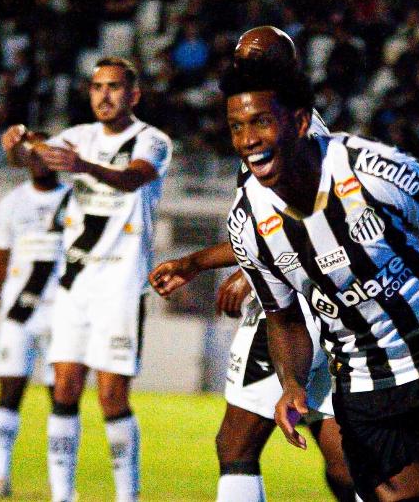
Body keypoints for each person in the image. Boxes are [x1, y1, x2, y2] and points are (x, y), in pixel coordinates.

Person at [219, 58, 419, 501]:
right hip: (364, 387)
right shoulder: (246, 224)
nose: (248, 141)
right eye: (236, 128)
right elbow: (285, 319)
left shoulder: (372, 169)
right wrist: (293, 384)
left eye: (260, 123)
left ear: (299, 121)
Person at [147, 26, 355, 502]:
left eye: (257, 58)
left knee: (236, 444)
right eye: (240, 57)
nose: (244, 65)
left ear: (288, 68)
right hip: (325, 309)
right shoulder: (293, 124)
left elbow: (306, 219)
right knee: (343, 458)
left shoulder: (289, 132)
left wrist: (251, 269)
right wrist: (200, 262)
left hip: (289, 313)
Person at [0, 57, 172, 502]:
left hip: (121, 283)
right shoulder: (78, 137)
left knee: (112, 398)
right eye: (97, 87)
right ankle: (63, 496)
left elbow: (134, 179)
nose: (104, 95)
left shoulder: (152, 141)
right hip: (75, 283)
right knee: (64, 388)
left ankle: (125, 497)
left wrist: (83, 167)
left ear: (133, 95)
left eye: (114, 87)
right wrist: (16, 146)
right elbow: (33, 160)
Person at [150, 246, 355, 501]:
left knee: (236, 446)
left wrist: (243, 271)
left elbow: (267, 222)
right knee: (347, 463)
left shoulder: (266, 210)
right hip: (343, 307)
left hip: (290, 313)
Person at [0, 132, 69, 499]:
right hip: (18, 313)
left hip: (63, 313)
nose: (41, 160)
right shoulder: (11, 203)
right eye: (34, 154)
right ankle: (1, 479)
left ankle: (60, 485)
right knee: (9, 392)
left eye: (48, 154)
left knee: (62, 399)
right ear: (27, 159)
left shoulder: (74, 200)